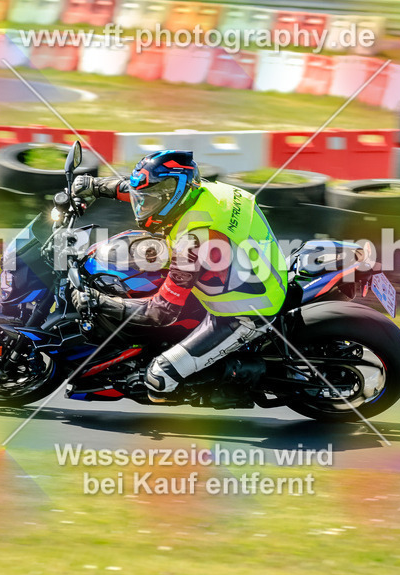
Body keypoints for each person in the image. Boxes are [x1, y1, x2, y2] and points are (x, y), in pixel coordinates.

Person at [71, 150, 289, 402]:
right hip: (251, 267)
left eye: (149, 200)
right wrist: (96, 186)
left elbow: (160, 312)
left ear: (172, 195)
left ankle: (222, 380)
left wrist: (100, 301)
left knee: (158, 376)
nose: (142, 206)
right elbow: (142, 191)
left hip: (246, 311)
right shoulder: (201, 192)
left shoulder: (193, 241)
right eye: (143, 198)